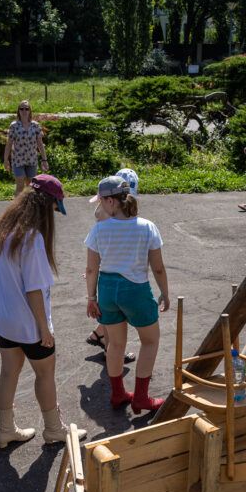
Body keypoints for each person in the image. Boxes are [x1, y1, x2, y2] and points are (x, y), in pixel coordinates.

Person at [0, 175, 88, 446]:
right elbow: (33, 290)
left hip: (3, 318)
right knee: (45, 374)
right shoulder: (31, 238)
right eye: (55, 209)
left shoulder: (2, 229)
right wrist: (45, 328)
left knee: (9, 373)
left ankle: (6, 429)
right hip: (27, 322)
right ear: (46, 204)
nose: (54, 215)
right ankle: (54, 429)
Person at [85, 175, 170, 414]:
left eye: (101, 201)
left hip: (108, 290)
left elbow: (92, 269)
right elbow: (158, 267)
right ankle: (141, 397)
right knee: (150, 341)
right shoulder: (147, 226)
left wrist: (91, 298)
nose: (100, 206)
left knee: (115, 344)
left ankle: (118, 393)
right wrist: (165, 292)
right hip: (136, 290)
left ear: (111, 201)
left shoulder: (98, 230)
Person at [85, 167, 138, 365]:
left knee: (111, 312)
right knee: (117, 315)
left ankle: (100, 337)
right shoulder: (110, 211)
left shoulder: (107, 208)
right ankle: (111, 351)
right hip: (114, 270)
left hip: (107, 269)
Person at [3, 100, 49, 196]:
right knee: (20, 186)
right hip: (18, 160)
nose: (24, 111)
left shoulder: (35, 125)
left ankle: (28, 208)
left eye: (26, 109)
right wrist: (6, 159)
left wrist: (44, 159)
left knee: (30, 187)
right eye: (22, 109)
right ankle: (17, 209)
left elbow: (40, 144)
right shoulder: (14, 126)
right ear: (18, 111)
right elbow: (9, 143)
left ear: (30, 111)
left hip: (32, 160)